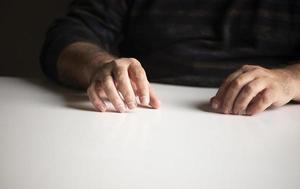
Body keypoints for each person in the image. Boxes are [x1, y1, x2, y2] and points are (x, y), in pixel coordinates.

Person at [41, 0, 300, 115]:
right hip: (145, 116)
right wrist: (100, 66)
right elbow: (66, 36)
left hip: (271, 120)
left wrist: (290, 80)